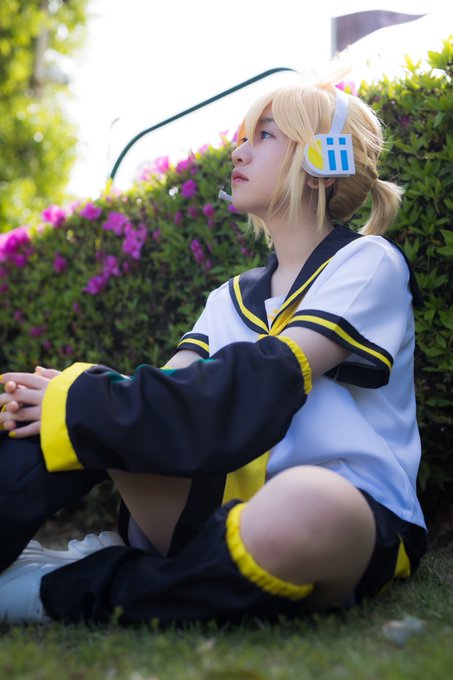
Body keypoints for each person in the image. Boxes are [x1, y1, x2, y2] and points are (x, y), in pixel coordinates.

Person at [0, 70, 427, 625]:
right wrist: (72, 398)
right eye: (243, 137)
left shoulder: (368, 262)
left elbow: (268, 379)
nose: (238, 151)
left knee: (303, 501)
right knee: (55, 399)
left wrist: (88, 400)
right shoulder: (228, 298)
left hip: (343, 515)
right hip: (214, 504)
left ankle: (53, 590)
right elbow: (164, 399)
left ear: (324, 160)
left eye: (265, 135)